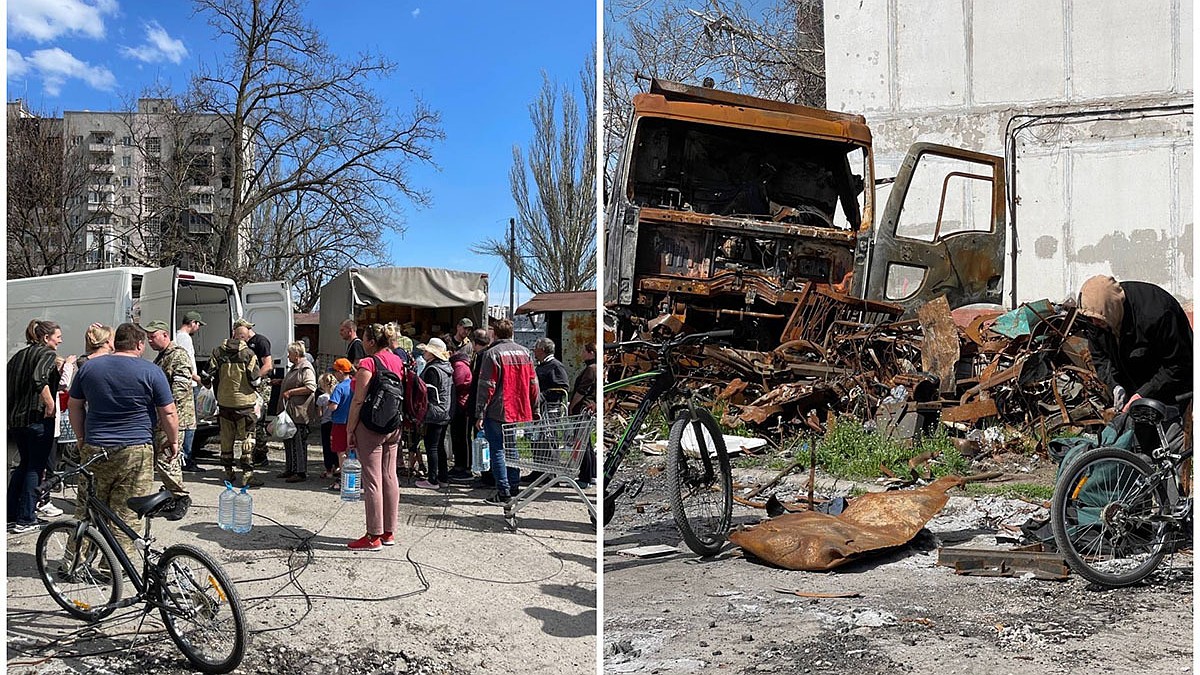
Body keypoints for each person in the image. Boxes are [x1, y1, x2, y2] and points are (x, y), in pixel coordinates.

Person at [67, 322, 179, 558]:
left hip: (95, 447)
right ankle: (114, 567)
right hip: (135, 450)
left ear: (115, 342)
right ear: (139, 344)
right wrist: (173, 440)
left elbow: (74, 405)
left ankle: (74, 562)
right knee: (126, 512)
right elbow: (168, 412)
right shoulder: (150, 371)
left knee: (87, 509)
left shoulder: (89, 368)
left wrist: (80, 437)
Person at [1077, 275, 1193, 409]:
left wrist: (1143, 394)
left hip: (1175, 385)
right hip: (1133, 384)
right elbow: (1099, 357)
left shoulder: (1157, 314)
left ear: (1112, 308)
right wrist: (1114, 385)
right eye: (1091, 319)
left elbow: (1177, 364)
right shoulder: (1094, 315)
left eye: (1098, 319)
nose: (1094, 323)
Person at [345, 323, 405, 550]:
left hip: (370, 426)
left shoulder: (368, 363)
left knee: (372, 480)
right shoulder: (397, 360)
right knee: (390, 476)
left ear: (370, 341)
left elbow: (358, 400)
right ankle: (389, 532)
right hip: (393, 424)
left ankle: (373, 536)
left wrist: (350, 429)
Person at [474, 318, 540, 504]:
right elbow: (533, 383)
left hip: (498, 409)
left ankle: (503, 491)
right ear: (512, 333)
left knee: (498, 450)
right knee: (512, 448)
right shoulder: (525, 353)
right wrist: (535, 408)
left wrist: (480, 412)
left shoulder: (492, 354)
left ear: (494, 333)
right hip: (518, 407)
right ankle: (513, 485)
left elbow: (487, 386)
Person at [7, 320, 64, 533]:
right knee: (34, 468)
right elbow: (39, 378)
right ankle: (26, 517)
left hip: (16, 420)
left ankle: (11, 514)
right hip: (36, 418)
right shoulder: (46, 354)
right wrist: (50, 403)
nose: (60, 340)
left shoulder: (17, 356)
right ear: (46, 338)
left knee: (24, 465)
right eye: (57, 337)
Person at [146, 320, 196, 495]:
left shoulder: (178, 355)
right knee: (164, 458)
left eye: (153, 337)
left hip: (175, 418)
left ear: (165, 335)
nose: (149, 341)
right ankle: (171, 493)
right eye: (147, 338)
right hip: (164, 418)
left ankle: (179, 496)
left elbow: (179, 391)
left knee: (167, 458)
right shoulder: (163, 356)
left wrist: (166, 412)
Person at [211, 327, 263, 487]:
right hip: (244, 404)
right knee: (248, 439)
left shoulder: (217, 352)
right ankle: (247, 475)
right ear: (244, 338)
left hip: (224, 403)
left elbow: (208, 374)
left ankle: (229, 473)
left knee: (226, 439)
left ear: (233, 335)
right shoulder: (248, 354)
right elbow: (255, 381)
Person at [276, 341, 318, 483]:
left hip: (300, 412)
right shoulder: (295, 367)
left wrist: (291, 392)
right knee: (289, 440)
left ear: (296, 354)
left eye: (289, 353)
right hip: (291, 412)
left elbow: (311, 387)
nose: (288, 356)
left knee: (298, 442)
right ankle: (290, 469)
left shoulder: (305, 368)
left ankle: (300, 472)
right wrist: (280, 382)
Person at [234, 320, 274, 467]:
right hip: (248, 386)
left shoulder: (260, 341)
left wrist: (254, 379)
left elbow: (268, 365)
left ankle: (261, 455)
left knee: (258, 421)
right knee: (249, 421)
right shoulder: (243, 344)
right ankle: (251, 453)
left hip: (260, 386)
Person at [416, 338, 453, 489]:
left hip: (435, 411)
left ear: (433, 353)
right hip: (445, 410)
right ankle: (443, 477)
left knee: (431, 445)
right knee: (439, 446)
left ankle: (432, 479)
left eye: (427, 350)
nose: (424, 352)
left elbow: (428, 392)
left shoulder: (432, 370)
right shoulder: (446, 367)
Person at [466, 328, 495, 488]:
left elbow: (482, 386)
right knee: (482, 440)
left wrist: (480, 412)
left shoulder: (483, 357)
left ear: (474, 342)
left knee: (483, 440)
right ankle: (485, 473)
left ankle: (487, 476)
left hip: (480, 407)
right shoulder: (484, 355)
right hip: (481, 406)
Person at [569, 341, 598, 488]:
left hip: (584, 408)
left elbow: (582, 391)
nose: (582, 354)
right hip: (590, 408)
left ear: (591, 353)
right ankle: (593, 474)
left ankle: (585, 477)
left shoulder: (591, 369)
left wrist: (572, 406)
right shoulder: (595, 368)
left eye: (584, 351)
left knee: (583, 444)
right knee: (587, 443)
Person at [446, 345, 475, 482]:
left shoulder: (459, 365)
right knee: (456, 436)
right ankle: (459, 465)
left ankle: (466, 467)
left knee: (463, 437)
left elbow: (458, 385)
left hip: (463, 406)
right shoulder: (456, 364)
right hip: (458, 405)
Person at [326, 358, 355, 491]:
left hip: (340, 423)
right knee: (352, 452)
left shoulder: (339, 387)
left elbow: (333, 406)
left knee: (341, 452)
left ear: (340, 372)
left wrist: (328, 403)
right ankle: (354, 478)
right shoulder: (355, 384)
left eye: (335, 371)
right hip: (353, 422)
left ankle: (344, 479)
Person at [533, 337, 570, 417]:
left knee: (549, 429)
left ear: (542, 350)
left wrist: (542, 396)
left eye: (535, 348)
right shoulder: (542, 365)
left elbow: (563, 387)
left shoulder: (556, 366)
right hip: (541, 408)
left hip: (551, 408)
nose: (534, 351)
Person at [316, 371, 338, 481]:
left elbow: (319, 414)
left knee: (326, 446)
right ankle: (337, 466)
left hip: (325, 424)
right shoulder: (336, 395)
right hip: (335, 423)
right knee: (335, 445)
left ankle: (328, 469)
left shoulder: (321, 398)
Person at [175, 311, 205, 387]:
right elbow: (184, 362)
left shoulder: (178, 335)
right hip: (187, 382)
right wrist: (198, 379)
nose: (198, 328)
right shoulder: (184, 338)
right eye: (198, 325)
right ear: (192, 323)